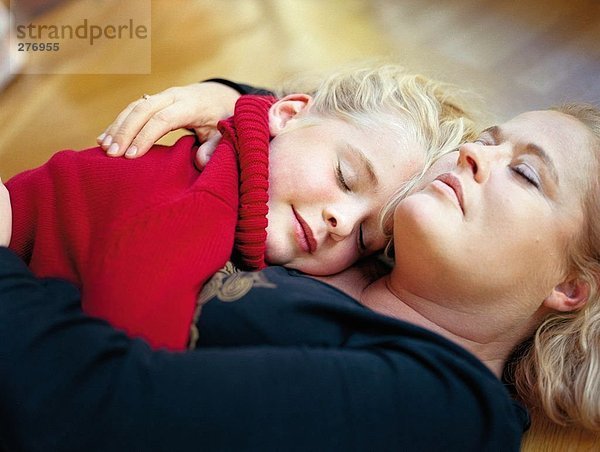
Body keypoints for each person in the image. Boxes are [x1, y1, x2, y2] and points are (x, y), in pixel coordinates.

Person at [1, 103, 599, 451]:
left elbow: (95, 416)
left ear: (569, 287)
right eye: (485, 140)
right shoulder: (355, 249)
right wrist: (238, 103)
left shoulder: (448, 407)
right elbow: (349, 130)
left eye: (524, 173)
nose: (475, 155)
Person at [6, 65, 478, 350]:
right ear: (287, 113)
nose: (342, 221)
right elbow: (128, 334)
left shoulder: (252, 186)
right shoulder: (212, 197)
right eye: (346, 177)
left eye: (363, 239)